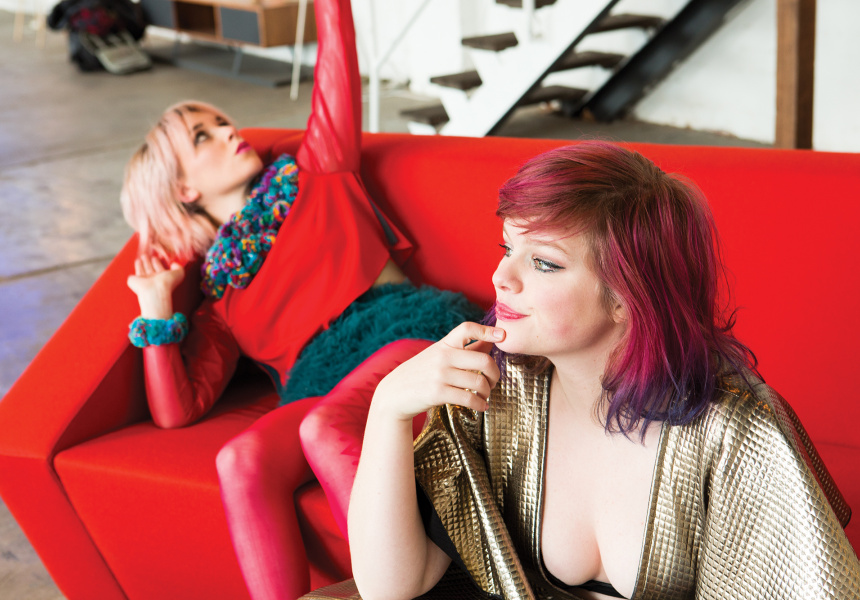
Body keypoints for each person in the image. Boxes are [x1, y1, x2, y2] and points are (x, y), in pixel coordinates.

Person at [348, 142, 860, 600]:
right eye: (508, 248)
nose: (501, 276)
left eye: (544, 263)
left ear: (627, 297)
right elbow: (390, 587)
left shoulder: (734, 430)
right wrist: (388, 409)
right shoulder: (497, 391)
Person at [119, 0, 480, 598]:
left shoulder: (317, 171)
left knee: (324, 426)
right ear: (183, 190)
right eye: (204, 136)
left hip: (404, 338)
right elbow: (176, 411)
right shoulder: (219, 300)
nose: (230, 131)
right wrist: (155, 309)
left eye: (221, 120)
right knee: (239, 460)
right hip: (324, 386)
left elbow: (337, 63)